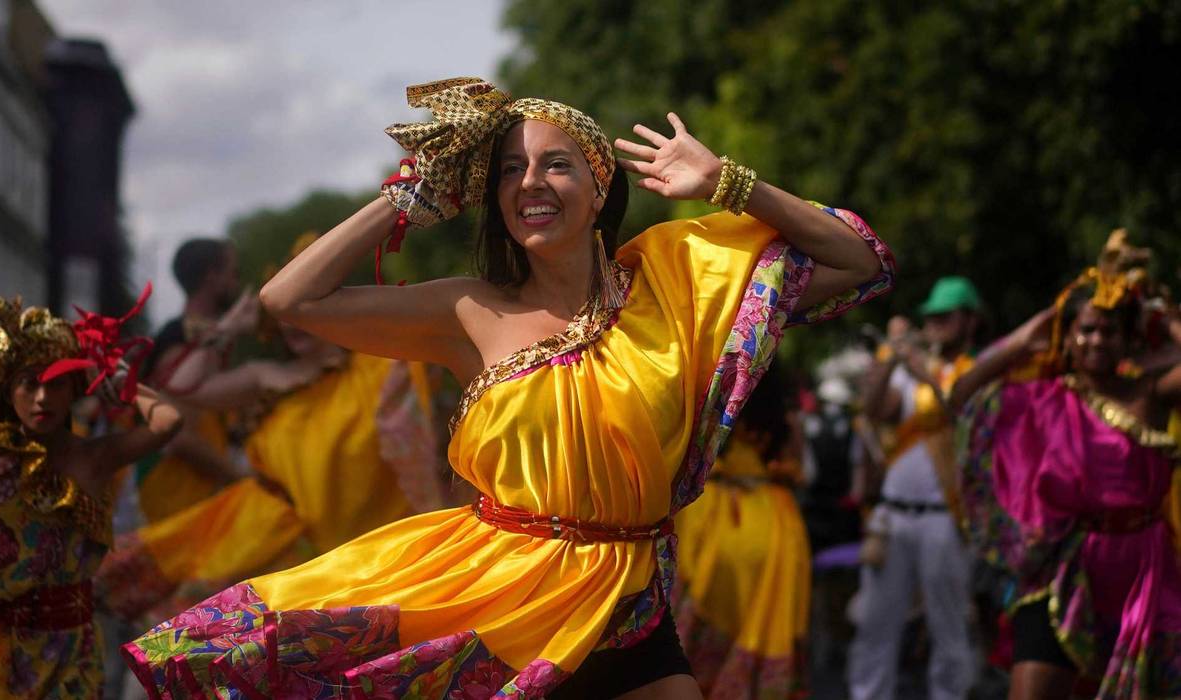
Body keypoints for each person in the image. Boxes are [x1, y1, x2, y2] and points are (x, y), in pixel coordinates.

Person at [123, 76, 894, 698]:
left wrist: (729, 183)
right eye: (509, 170)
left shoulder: (676, 284)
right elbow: (289, 300)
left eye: (555, 163)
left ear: (599, 188)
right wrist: (403, 200)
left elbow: (860, 260)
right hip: (499, 607)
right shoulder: (467, 309)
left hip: (628, 600)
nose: (531, 182)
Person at [99, 234, 445, 621]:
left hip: (362, 556)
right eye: (283, 312)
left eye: (304, 306)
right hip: (273, 549)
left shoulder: (382, 370)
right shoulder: (269, 376)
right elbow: (184, 387)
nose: (291, 322)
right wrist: (229, 329)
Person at [951, 231, 1181, 699]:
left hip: (1144, 568)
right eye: (1086, 329)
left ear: (1127, 337)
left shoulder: (1148, 395)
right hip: (1066, 568)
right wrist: (1022, 340)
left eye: (1110, 330)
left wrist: (1162, 320)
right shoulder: (1042, 396)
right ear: (1069, 335)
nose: (1097, 340)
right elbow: (960, 397)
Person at [0, 295, 181, 698]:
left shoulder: (94, 458)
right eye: (29, 383)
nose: (43, 399)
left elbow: (169, 422)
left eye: (57, 384)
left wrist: (122, 380)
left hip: (74, 654)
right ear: (8, 387)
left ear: (75, 390)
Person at [848, 276, 983, 700]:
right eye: (932, 317)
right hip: (892, 518)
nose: (936, 324)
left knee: (949, 627)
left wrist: (921, 370)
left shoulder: (974, 372)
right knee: (876, 625)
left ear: (970, 321)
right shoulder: (908, 374)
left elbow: (959, 409)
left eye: (945, 317)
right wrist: (891, 356)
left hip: (944, 519)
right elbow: (872, 410)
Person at [672, 368, 811, 698]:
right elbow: (798, 469)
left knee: (691, 611)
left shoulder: (708, 392)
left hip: (710, 513)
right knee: (763, 612)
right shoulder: (783, 416)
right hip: (772, 521)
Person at [135, 238, 257, 523]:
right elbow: (180, 436)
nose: (237, 282)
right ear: (212, 278)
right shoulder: (179, 343)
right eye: (233, 273)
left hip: (199, 501)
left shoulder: (203, 337)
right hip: (178, 503)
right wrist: (241, 479)